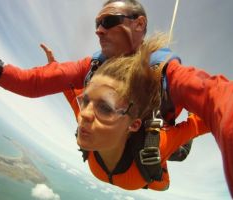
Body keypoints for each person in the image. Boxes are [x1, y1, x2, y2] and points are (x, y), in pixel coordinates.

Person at [0, 0, 233, 199]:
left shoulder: (165, 71)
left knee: (172, 141)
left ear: (139, 25)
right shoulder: (93, 68)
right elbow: (42, 84)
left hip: (153, 144)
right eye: (97, 22)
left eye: (108, 21)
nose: (98, 29)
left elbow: (216, 96)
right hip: (122, 138)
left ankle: (178, 145)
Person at [74, 33, 210, 190]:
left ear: (134, 124)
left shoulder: (157, 145)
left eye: (105, 108)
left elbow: (197, 126)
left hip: (154, 170)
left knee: (180, 154)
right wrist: (54, 68)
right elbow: (70, 90)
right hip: (142, 166)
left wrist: (195, 102)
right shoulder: (86, 123)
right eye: (85, 101)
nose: (83, 114)